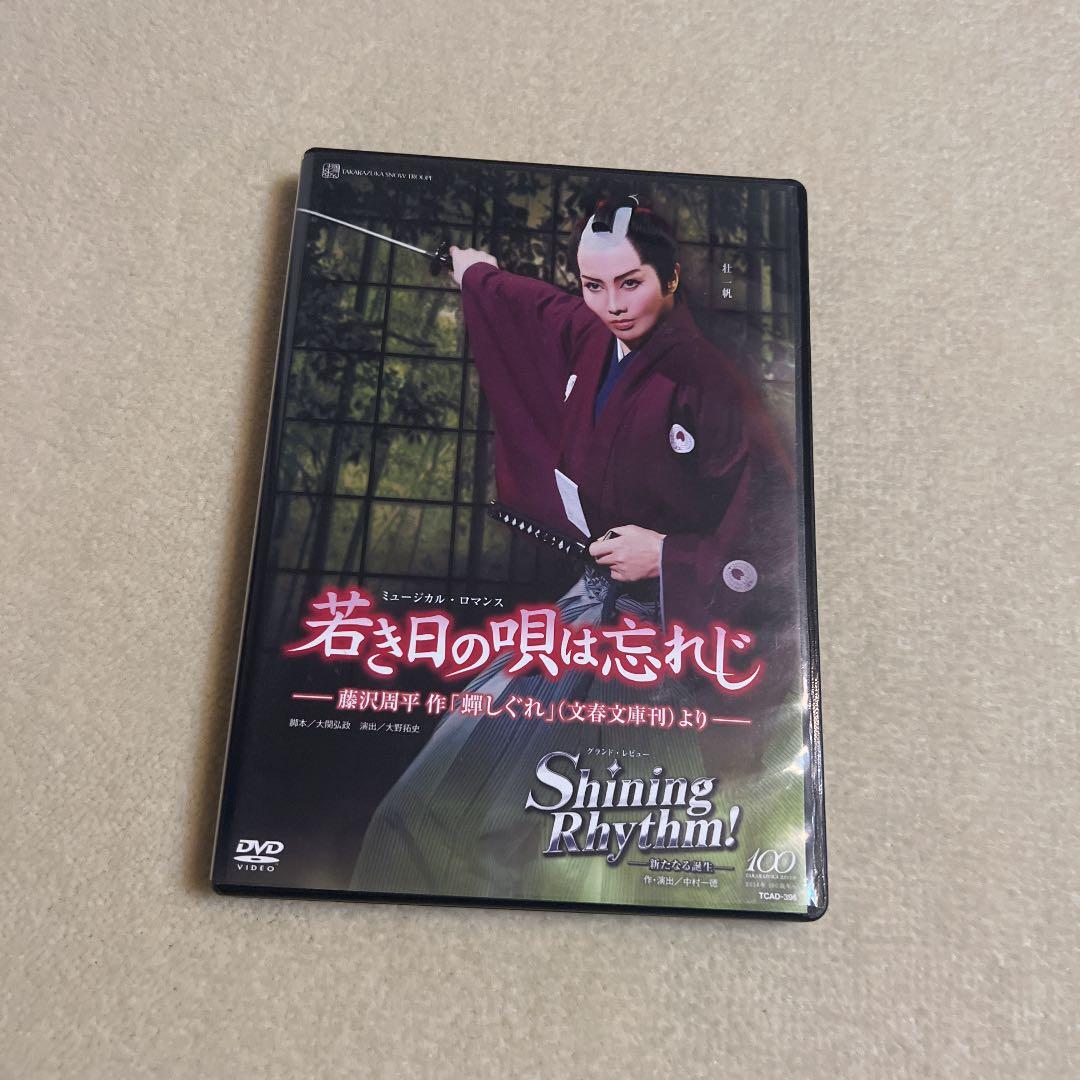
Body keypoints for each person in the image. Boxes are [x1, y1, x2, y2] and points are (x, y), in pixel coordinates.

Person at [350, 197, 799, 905]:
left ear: (670, 278)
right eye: (594, 285)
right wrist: (476, 274)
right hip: (589, 608)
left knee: (615, 849)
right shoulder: (591, 335)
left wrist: (670, 555)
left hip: (671, 636)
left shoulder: (710, 384)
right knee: (432, 801)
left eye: (631, 283)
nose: (612, 305)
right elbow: (530, 305)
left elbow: (777, 535)